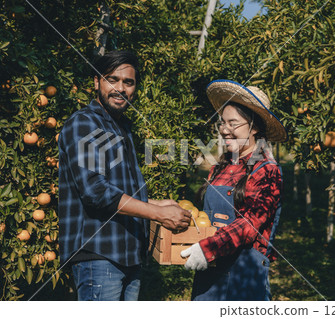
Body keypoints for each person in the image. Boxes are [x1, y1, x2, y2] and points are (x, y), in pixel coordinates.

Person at [58, 50, 191, 301]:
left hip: (129, 254)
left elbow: (117, 192)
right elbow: (95, 191)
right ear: (97, 82)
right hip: (99, 255)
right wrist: (158, 214)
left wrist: (155, 204)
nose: (120, 88)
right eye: (112, 79)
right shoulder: (84, 123)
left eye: (128, 82)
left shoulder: (122, 127)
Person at [181, 79, 287, 300]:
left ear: (254, 127)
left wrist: (208, 248)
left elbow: (251, 223)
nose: (224, 130)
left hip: (243, 278)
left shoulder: (267, 171)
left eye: (233, 123)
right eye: (222, 123)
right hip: (209, 271)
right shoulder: (220, 167)